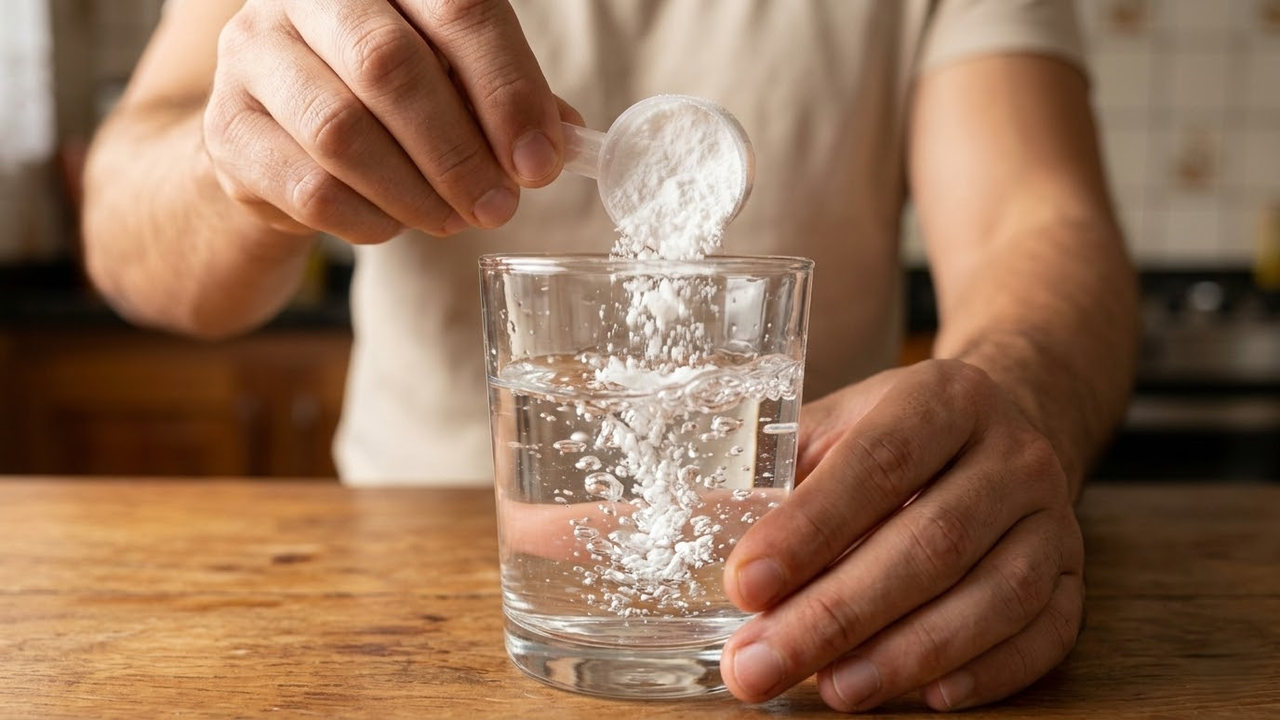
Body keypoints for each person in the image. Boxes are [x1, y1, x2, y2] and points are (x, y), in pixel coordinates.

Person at [81, 0, 1138, 712]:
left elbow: (1037, 224)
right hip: (387, 599)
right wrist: (236, 159)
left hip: (806, 589)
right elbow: (126, 229)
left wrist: (1013, 399)